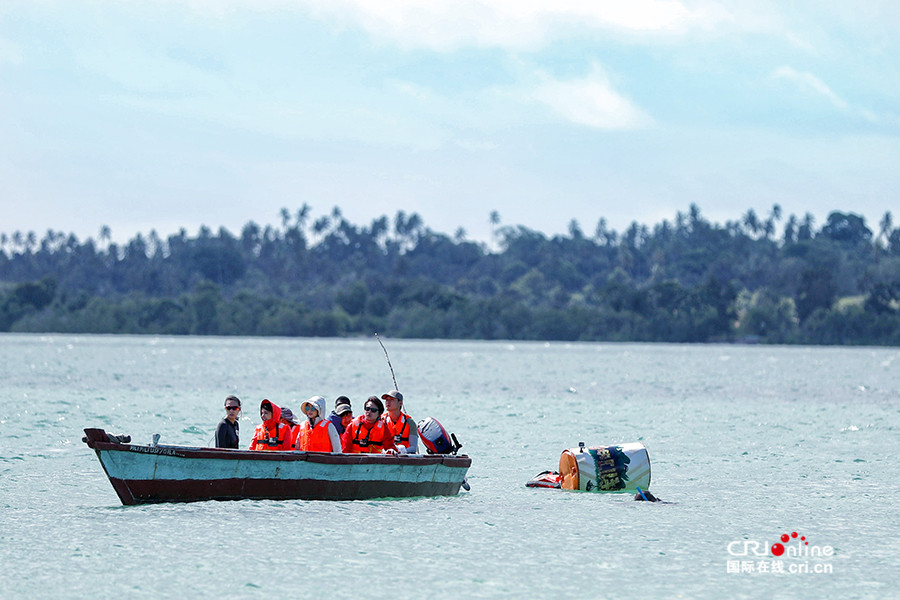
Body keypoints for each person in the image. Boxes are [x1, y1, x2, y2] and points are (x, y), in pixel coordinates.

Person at [381, 389, 419, 454]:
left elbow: (413, 448)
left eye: (391, 400)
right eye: (387, 400)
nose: (388, 402)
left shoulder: (410, 422)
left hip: (405, 458)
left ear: (400, 403)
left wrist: (401, 451)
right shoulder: (381, 420)